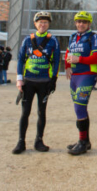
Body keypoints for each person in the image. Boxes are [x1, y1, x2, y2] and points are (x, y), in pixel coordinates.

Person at [13, 11, 60, 154]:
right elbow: (21, 59)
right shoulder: (27, 40)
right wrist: (19, 79)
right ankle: (21, 141)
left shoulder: (53, 41)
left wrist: (54, 79)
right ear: (35, 24)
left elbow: (56, 61)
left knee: (41, 112)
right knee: (25, 112)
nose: (43, 24)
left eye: (45, 22)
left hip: (44, 82)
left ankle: (39, 140)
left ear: (49, 24)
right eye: (40, 22)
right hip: (28, 81)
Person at [65, 11, 97, 155]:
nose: (81, 24)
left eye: (84, 22)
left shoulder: (94, 37)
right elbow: (68, 52)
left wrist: (79, 59)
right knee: (80, 109)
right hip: (75, 76)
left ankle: (82, 142)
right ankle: (85, 140)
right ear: (75, 23)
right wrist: (67, 66)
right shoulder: (72, 37)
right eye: (79, 22)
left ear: (89, 24)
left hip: (87, 75)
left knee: (79, 107)